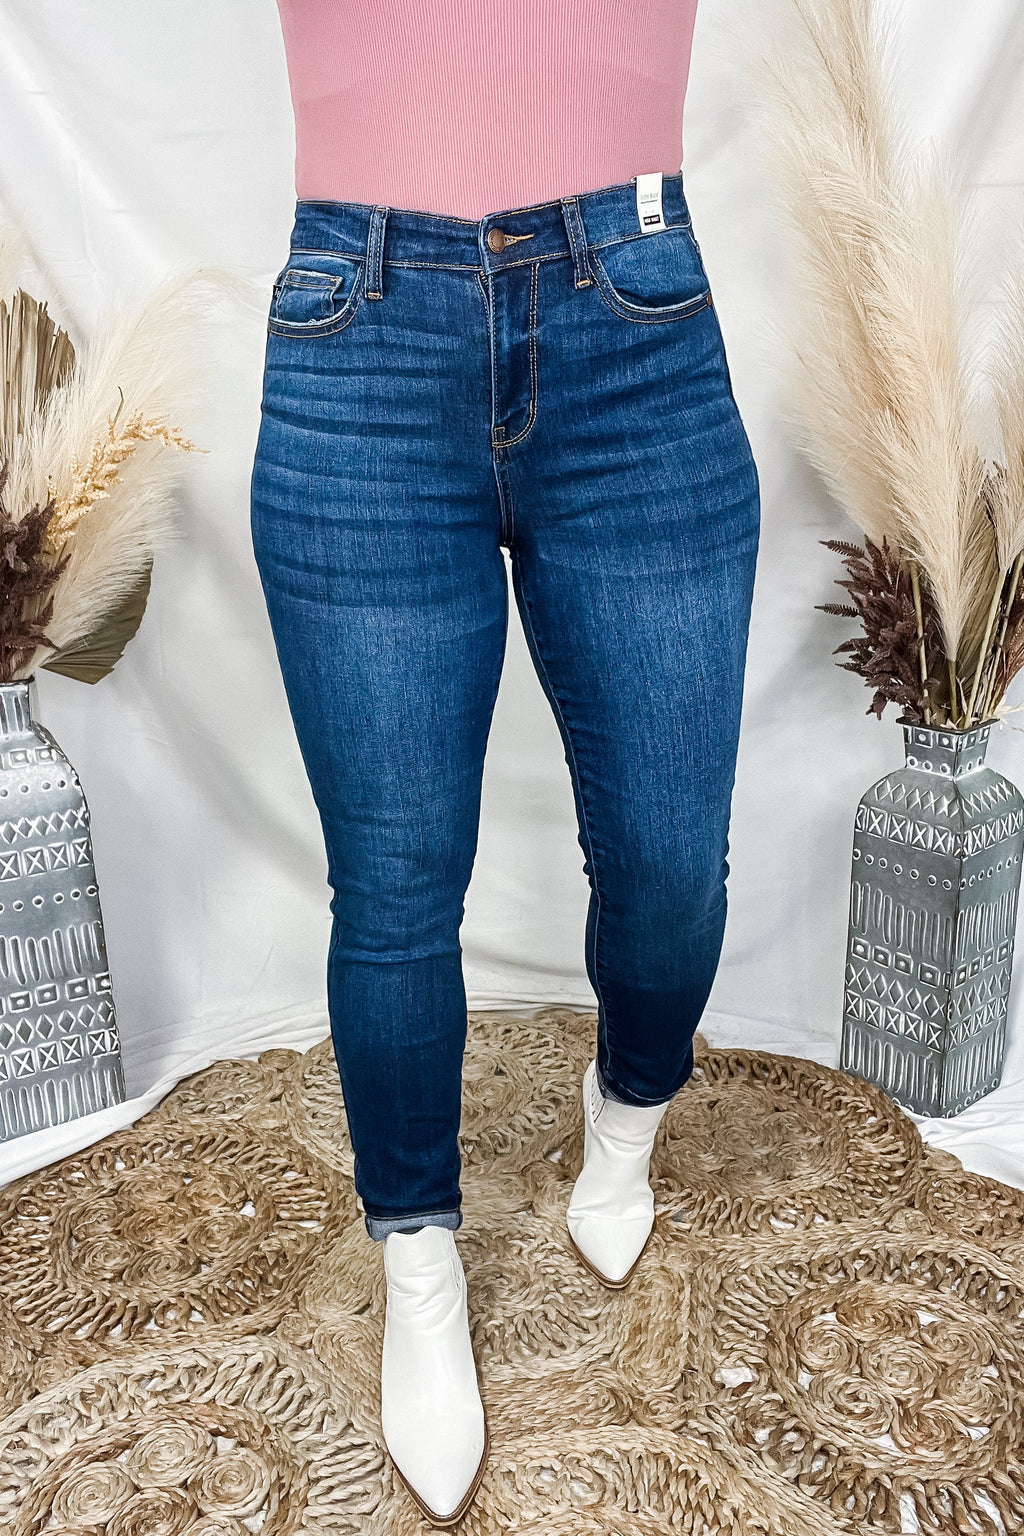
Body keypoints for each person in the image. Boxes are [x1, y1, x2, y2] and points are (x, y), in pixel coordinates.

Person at [250, 0, 760, 1525]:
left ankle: (628, 1118)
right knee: (396, 886)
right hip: (360, 341)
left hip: (635, 325)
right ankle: (419, 1263)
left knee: (670, 864)